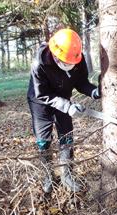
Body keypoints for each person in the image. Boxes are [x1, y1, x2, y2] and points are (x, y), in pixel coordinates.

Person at [27, 28, 100, 193]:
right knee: (43, 140)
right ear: (55, 55)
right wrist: (66, 106)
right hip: (40, 101)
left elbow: (81, 83)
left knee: (66, 137)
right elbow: (42, 93)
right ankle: (48, 177)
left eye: (71, 63)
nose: (69, 65)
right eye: (65, 62)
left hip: (64, 99)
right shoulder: (40, 63)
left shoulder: (77, 58)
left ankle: (67, 176)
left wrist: (94, 92)